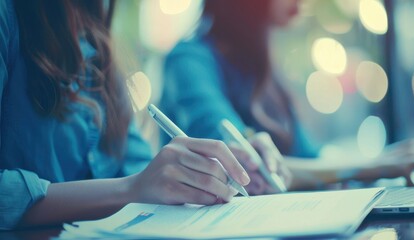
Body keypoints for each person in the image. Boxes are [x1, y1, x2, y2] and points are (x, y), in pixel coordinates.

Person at [0, 0, 250, 230]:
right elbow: (139, 182)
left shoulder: (97, 42)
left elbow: (140, 167)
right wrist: (132, 188)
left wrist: (180, 182)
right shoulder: (9, 17)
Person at [160, 0, 414, 194]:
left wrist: (413, 151)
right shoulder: (188, 62)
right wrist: (370, 167)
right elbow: (243, 167)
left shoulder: (262, 72)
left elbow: (315, 162)